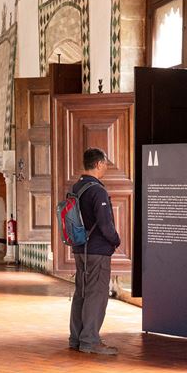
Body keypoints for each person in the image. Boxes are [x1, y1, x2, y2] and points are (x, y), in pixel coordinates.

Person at [69, 148, 121, 356]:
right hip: (97, 250)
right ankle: (90, 340)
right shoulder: (97, 190)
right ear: (98, 164)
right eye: (105, 164)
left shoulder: (77, 186)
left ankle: (76, 338)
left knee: (81, 292)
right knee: (97, 295)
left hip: (80, 248)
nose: (106, 168)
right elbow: (105, 223)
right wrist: (116, 240)